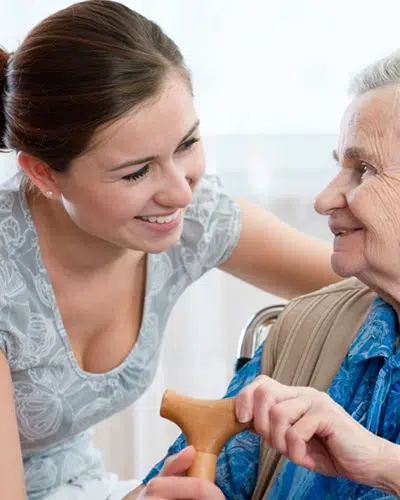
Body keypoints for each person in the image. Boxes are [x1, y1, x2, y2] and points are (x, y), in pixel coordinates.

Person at [0, 1, 341, 499]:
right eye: (136, 172)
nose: (180, 192)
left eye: (187, 143)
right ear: (43, 173)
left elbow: (365, 280)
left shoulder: (193, 216)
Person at [135, 49, 400, 499]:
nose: (323, 200)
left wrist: (384, 465)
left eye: (364, 170)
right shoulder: (304, 328)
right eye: (339, 166)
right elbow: (178, 486)